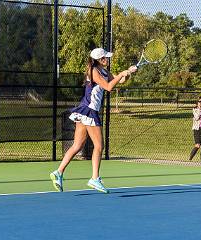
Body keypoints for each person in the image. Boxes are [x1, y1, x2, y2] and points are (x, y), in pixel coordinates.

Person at [50, 48, 137, 193]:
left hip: (86, 110)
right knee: (98, 146)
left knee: (77, 145)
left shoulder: (103, 71)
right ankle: (95, 178)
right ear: (100, 59)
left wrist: (128, 73)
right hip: (89, 111)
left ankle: (58, 172)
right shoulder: (94, 71)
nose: (107, 59)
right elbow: (109, 87)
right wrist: (122, 74)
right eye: (105, 58)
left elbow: (119, 80)